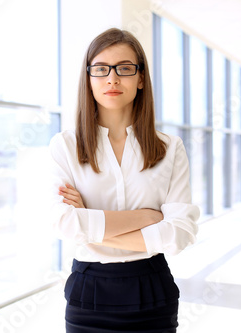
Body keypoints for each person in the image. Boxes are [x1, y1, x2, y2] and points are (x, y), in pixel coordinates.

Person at [48, 28, 200, 332]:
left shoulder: (170, 148)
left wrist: (89, 226)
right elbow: (64, 224)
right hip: (87, 293)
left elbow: (178, 235)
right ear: (89, 78)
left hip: (152, 291)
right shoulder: (65, 145)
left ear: (141, 78)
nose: (112, 79)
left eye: (125, 69)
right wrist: (145, 217)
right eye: (101, 69)